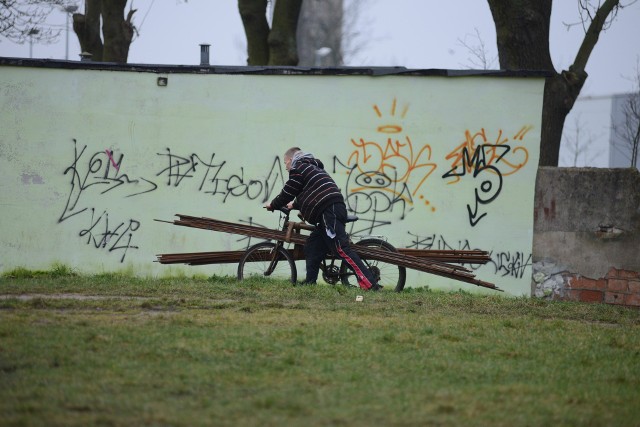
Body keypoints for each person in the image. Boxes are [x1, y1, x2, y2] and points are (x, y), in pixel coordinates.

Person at [265, 147, 380, 291]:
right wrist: (294, 205)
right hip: (330, 209)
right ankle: (310, 282)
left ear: (290, 160)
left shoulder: (298, 167)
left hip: (329, 210)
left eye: (285, 163)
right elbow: (311, 190)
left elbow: (289, 191)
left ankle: (370, 284)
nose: (286, 168)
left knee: (341, 249)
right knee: (312, 245)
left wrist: (273, 205)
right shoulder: (311, 168)